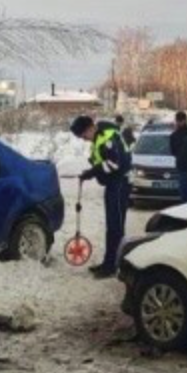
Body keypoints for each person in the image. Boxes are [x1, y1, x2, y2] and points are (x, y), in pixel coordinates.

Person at [70, 115, 132, 278]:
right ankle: (109, 262)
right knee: (111, 227)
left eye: (83, 136)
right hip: (113, 184)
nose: (84, 140)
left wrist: (92, 172)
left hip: (120, 184)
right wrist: (90, 172)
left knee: (116, 227)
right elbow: (101, 162)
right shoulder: (99, 138)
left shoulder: (108, 137)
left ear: (91, 127)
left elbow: (114, 164)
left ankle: (115, 266)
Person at [168, 110, 187, 202]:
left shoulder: (175, 136)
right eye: (178, 121)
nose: (178, 123)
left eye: (179, 121)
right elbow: (173, 152)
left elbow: (174, 152)